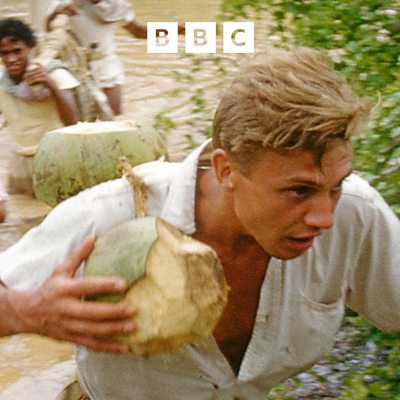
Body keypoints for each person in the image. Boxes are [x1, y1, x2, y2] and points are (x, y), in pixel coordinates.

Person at [0, 46, 399, 399]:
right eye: (298, 191)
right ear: (226, 170)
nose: (325, 217)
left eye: (336, 186)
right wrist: (28, 311)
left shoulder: (355, 213)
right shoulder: (112, 212)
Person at [46, 0, 185, 116]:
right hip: (75, 63)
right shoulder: (69, 3)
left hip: (105, 62)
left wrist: (177, 29)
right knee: (79, 117)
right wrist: (55, 14)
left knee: (114, 116)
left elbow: (137, 31)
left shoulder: (116, 5)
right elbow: (50, 34)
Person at [0, 18, 80, 195]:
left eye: (17, 51)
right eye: (4, 53)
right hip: (19, 162)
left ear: (31, 47)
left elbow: (73, 122)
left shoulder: (55, 73)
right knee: (19, 209)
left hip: (55, 159)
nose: (11, 59)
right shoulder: (2, 82)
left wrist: (51, 85)